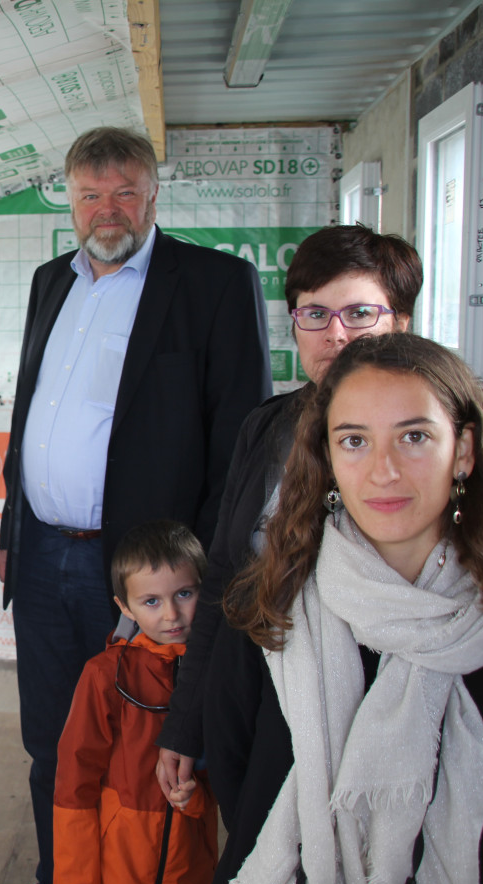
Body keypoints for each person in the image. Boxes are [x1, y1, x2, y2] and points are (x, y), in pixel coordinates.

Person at [204, 332, 483, 884]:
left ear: (462, 451)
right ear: (328, 459)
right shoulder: (274, 601)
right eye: (354, 440)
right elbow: (235, 774)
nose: (383, 470)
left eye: (414, 437)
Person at [0, 125, 271, 884]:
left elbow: (239, 444)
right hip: (46, 559)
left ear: (153, 195)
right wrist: (15, 528)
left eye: (123, 192)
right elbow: (31, 414)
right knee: (54, 744)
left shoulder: (214, 282)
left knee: (156, 749)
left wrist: (202, 579)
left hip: (153, 578)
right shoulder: (53, 281)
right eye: (89, 194)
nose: (105, 210)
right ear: (70, 201)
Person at [155, 224, 420, 802]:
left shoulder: (435, 446)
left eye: (359, 314)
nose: (337, 334)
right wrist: (187, 718)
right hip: (250, 699)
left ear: (400, 321)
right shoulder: (267, 426)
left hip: (373, 719)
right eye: (315, 315)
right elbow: (225, 570)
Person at [52, 520, 218, 884]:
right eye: (151, 602)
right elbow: (73, 791)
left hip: (189, 881)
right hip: (120, 883)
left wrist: (191, 800)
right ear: (124, 607)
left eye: (184, 593)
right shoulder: (104, 676)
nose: (172, 615)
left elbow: (219, 780)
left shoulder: (216, 674)